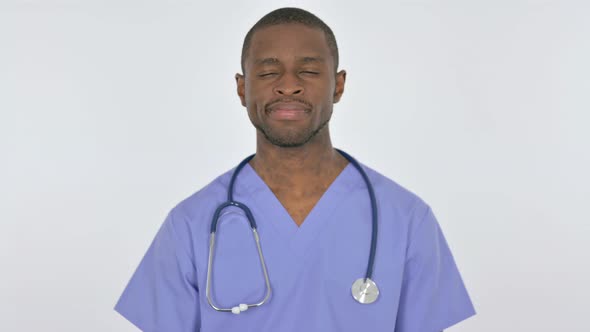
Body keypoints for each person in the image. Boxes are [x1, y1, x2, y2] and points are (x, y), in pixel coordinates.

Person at [114, 7, 476, 332]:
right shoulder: (190, 225)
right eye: (269, 71)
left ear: (339, 85)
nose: (289, 85)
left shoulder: (407, 220)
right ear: (242, 89)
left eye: (309, 70)